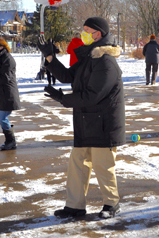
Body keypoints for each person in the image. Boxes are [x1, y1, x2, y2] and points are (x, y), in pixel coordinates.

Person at [38, 16, 125, 219]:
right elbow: (68, 76)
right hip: (86, 121)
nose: (83, 33)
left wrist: (62, 98)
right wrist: (50, 58)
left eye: (87, 30)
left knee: (103, 166)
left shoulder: (106, 62)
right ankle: (75, 206)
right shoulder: (89, 57)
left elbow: (92, 95)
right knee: (77, 164)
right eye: (83, 28)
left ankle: (112, 204)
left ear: (99, 34)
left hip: (104, 124)